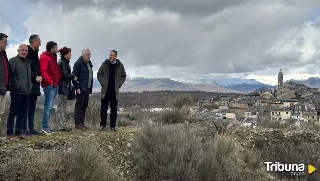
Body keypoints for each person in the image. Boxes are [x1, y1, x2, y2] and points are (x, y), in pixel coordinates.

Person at [6, 44, 32, 140]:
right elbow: (10, 76)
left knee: (22, 113)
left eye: (26, 50)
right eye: (22, 50)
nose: (24, 52)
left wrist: (30, 88)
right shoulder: (13, 61)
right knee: (13, 112)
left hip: (27, 92)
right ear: (18, 50)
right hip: (17, 92)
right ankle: (9, 134)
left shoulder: (28, 63)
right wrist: (16, 86)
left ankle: (18, 133)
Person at [97, 50, 126, 132]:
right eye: (109, 55)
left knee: (113, 109)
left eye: (112, 55)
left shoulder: (120, 65)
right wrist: (103, 82)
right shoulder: (105, 64)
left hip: (114, 91)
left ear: (116, 56)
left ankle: (113, 126)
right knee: (103, 109)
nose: (110, 56)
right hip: (105, 90)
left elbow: (123, 76)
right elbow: (99, 74)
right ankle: (102, 125)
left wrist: (119, 84)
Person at [39, 41, 62, 135]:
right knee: (47, 107)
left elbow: (56, 69)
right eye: (56, 48)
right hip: (49, 86)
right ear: (51, 48)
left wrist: (56, 82)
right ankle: (44, 127)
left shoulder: (53, 56)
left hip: (55, 85)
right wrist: (50, 82)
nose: (57, 50)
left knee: (51, 107)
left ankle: (47, 127)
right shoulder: (44, 57)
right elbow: (43, 71)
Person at [55, 46, 77, 131]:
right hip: (63, 87)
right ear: (65, 54)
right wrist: (73, 74)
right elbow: (65, 76)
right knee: (62, 107)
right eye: (69, 53)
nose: (71, 55)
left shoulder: (64, 62)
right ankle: (61, 126)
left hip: (64, 87)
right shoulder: (63, 63)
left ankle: (62, 125)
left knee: (62, 106)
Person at [72, 48, 93, 130]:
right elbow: (74, 76)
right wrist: (77, 87)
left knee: (84, 106)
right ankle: (77, 124)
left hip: (87, 88)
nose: (89, 56)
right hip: (80, 88)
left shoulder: (89, 64)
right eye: (88, 54)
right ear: (83, 55)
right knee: (79, 106)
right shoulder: (78, 63)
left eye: (90, 54)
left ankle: (82, 123)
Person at [26, 34, 42, 135]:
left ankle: (31, 128)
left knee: (32, 107)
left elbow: (36, 68)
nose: (40, 44)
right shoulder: (27, 52)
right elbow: (26, 69)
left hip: (36, 84)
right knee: (26, 107)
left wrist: (39, 76)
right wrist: (34, 76)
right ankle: (24, 129)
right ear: (33, 41)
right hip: (28, 84)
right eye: (39, 42)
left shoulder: (36, 53)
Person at [0, 33, 11, 125]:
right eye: (4, 42)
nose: (6, 44)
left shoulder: (3, 54)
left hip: (3, 88)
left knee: (1, 113)